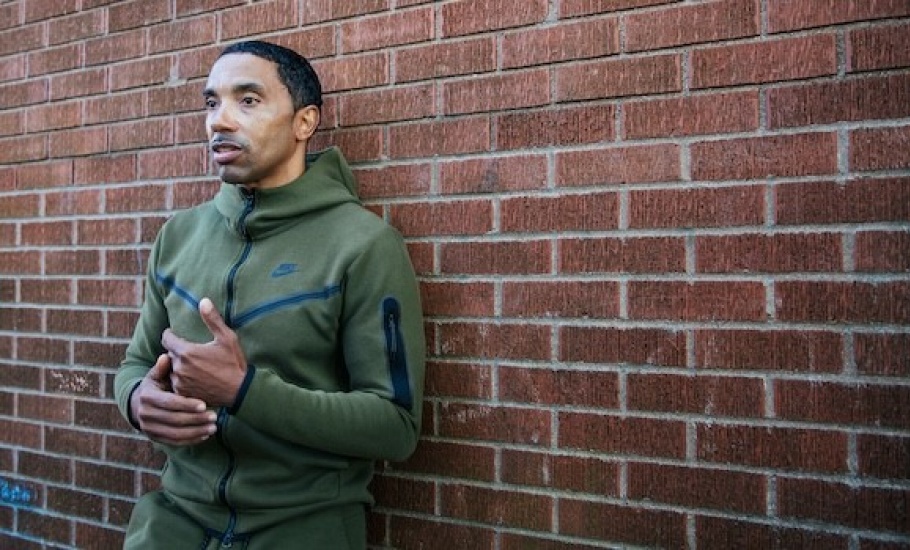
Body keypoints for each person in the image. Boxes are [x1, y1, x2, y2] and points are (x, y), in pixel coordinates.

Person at [113, 40, 426, 549]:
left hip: (302, 529)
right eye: (212, 103)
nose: (220, 120)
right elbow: (134, 363)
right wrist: (136, 399)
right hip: (172, 524)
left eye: (249, 100)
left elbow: (394, 426)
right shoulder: (178, 237)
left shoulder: (364, 246)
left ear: (304, 123)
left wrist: (245, 390)